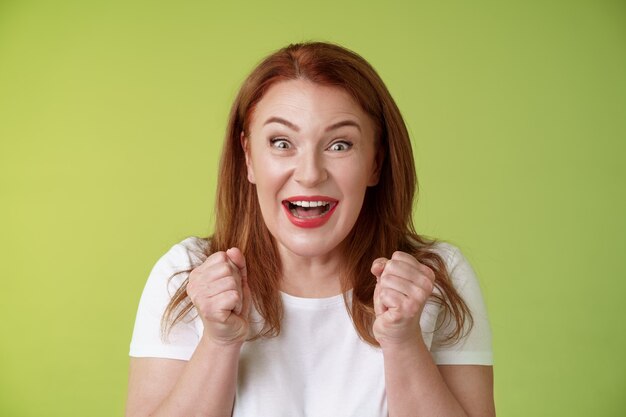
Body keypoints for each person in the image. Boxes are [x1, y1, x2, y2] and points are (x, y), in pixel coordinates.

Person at [125, 41, 495, 417]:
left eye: (339, 145)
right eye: (282, 143)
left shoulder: (436, 278)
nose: (310, 174)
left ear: (376, 162)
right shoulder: (186, 276)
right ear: (249, 157)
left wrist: (403, 342)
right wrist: (218, 343)